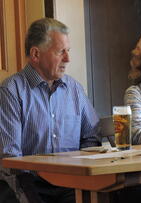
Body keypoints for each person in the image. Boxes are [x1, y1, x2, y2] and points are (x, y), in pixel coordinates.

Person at [0, 18, 101, 203]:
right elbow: (10, 159)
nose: (68, 59)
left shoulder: (75, 89)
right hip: (29, 183)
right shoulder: (11, 90)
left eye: (68, 51)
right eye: (60, 52)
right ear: (36, 54)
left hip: (71, 183)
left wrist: (83, 178)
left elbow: (91, 138)